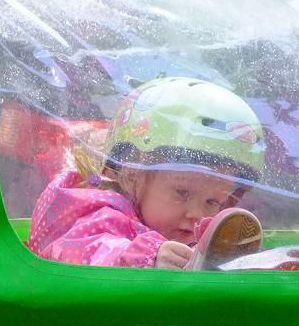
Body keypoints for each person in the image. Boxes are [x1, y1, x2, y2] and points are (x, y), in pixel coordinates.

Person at [27, 77, 267, 270]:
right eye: (182, 192)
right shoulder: (102, 214)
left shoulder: (179, 230)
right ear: (134, 175)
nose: (197, 214)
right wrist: (145, 258)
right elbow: (81, 252)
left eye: (212, 201)